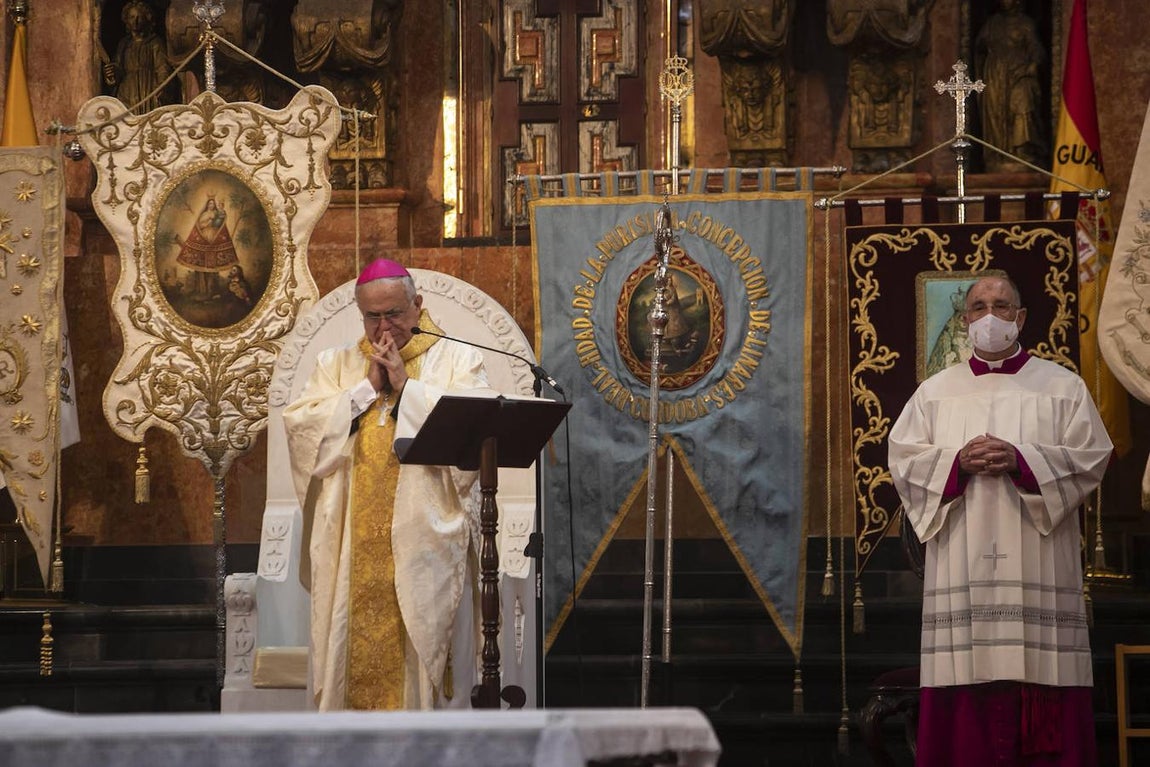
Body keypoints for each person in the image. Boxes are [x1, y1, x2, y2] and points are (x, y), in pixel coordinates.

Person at [888, 274, 1112, 766]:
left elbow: (1092, 456)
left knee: (1041, 666)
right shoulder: (935, 392)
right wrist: (956, 463)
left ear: (1021, 317)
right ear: (965, 319)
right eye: (979, 306)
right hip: (961, 562)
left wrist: (1023, 460)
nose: (990, 316)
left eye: (1002, 305)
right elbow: (903, 461)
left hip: (1039, 558)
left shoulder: (1062, 387)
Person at [283, 258, 487, 711]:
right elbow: (303, 430)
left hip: (423, 546)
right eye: (371, 316)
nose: (383, 327)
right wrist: (364, 390)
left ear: (417, 305)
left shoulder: (457, 359)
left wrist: (406, 386)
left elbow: (471, 435)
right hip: (353, 549)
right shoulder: (337, 364)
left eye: (393, 313)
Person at [974, 0, 1047, 170]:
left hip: (1020, 75)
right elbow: (979, 48)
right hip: (995, 76)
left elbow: (1037, 51)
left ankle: (1023, 152)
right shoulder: (991, 23)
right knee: (995, 114)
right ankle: (997, 155)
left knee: (1023, 103)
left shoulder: (1025, 24)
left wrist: (1030, 67)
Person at [103, 0, 174, 114]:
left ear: (147, 19)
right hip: (127, 90)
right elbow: (118, 67)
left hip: (148, 88)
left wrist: (162, 86)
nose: (135, 21)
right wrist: (112, 73)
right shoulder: (124, 44)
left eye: (139, 17)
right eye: (131, 17)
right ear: (126, 20)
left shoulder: (154, 42)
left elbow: (162, 67)